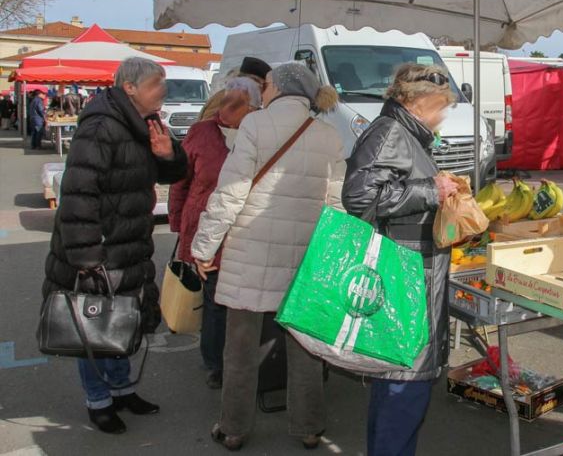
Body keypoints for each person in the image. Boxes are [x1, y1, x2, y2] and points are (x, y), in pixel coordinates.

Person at [191, 63, 343, 452]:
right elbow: (336, 204)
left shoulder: (255, 126)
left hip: (250, 253)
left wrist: (204, 247)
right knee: (306, 347)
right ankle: (309, 427)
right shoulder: (328, 135)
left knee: (240, 349)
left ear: (281, 88)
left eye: (269, 83)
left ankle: (233, 428)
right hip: (305, 256)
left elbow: (230, 192)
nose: (266, 89)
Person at [41, 57, 188, 434]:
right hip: (99, 249)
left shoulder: (148, 122)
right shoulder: (102, 125)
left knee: (123, 317)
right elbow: (77, 193)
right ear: (130, 88)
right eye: (157, 83)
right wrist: (86, 254)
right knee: (92, 322)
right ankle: (98, 401)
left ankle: (122, 389)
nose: (164, 90)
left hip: (128, 243)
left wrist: (167, 154)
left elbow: (174, 173)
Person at [342, 64, 461, 456]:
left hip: (410, 275)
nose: (442, 114)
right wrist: (431, 189)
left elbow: (390, 187)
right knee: (402, 389)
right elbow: (360, 197)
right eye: (439, 106)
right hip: (404, 280)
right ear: (415, 101)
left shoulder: (406, 133)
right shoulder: (391, 132)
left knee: (396, 385)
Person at [168, 77, 262, 390]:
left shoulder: (259, 135)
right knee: (215, 300)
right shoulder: (201, 132)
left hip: (246, 230)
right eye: (227, 100)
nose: (229, 107)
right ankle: (215, 363)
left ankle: (243, 358)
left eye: (239, 102)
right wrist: (178, 224)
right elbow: (181, 181)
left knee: (241, 302)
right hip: (206, 227)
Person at [199, 56, 272, 122]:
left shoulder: (244, 98)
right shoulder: (226, 97)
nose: (263, 93)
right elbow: (206, 125)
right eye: (263, 87)